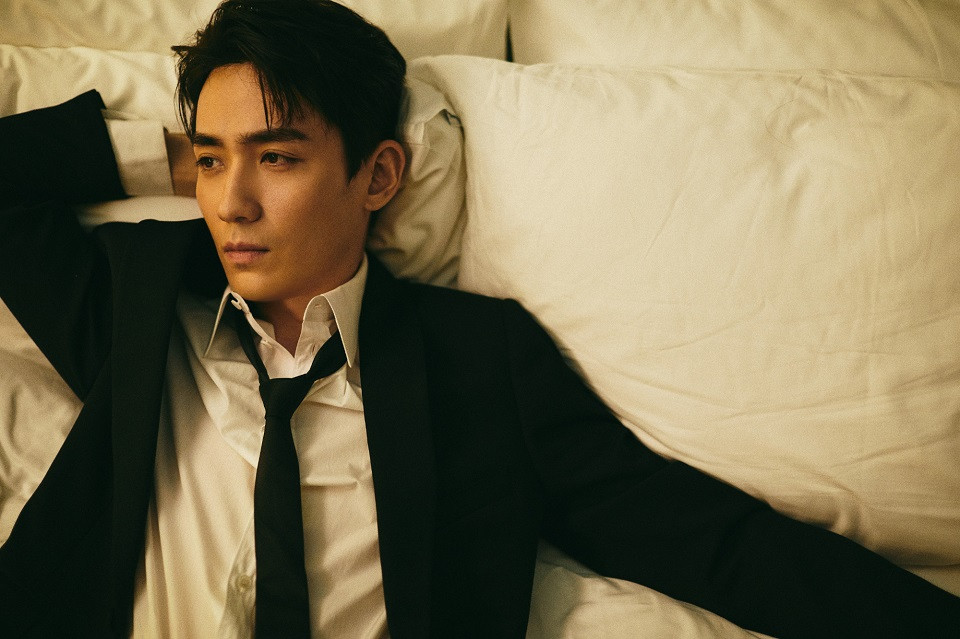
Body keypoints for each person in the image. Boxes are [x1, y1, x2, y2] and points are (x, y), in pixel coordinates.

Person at [0, 1, 957, 637]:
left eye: (277, 157)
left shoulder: (477, 359)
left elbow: (706, 541)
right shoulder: (137, 303)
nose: (231, 203)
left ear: (379, 175)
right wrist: (175, 158)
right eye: (214, 161)